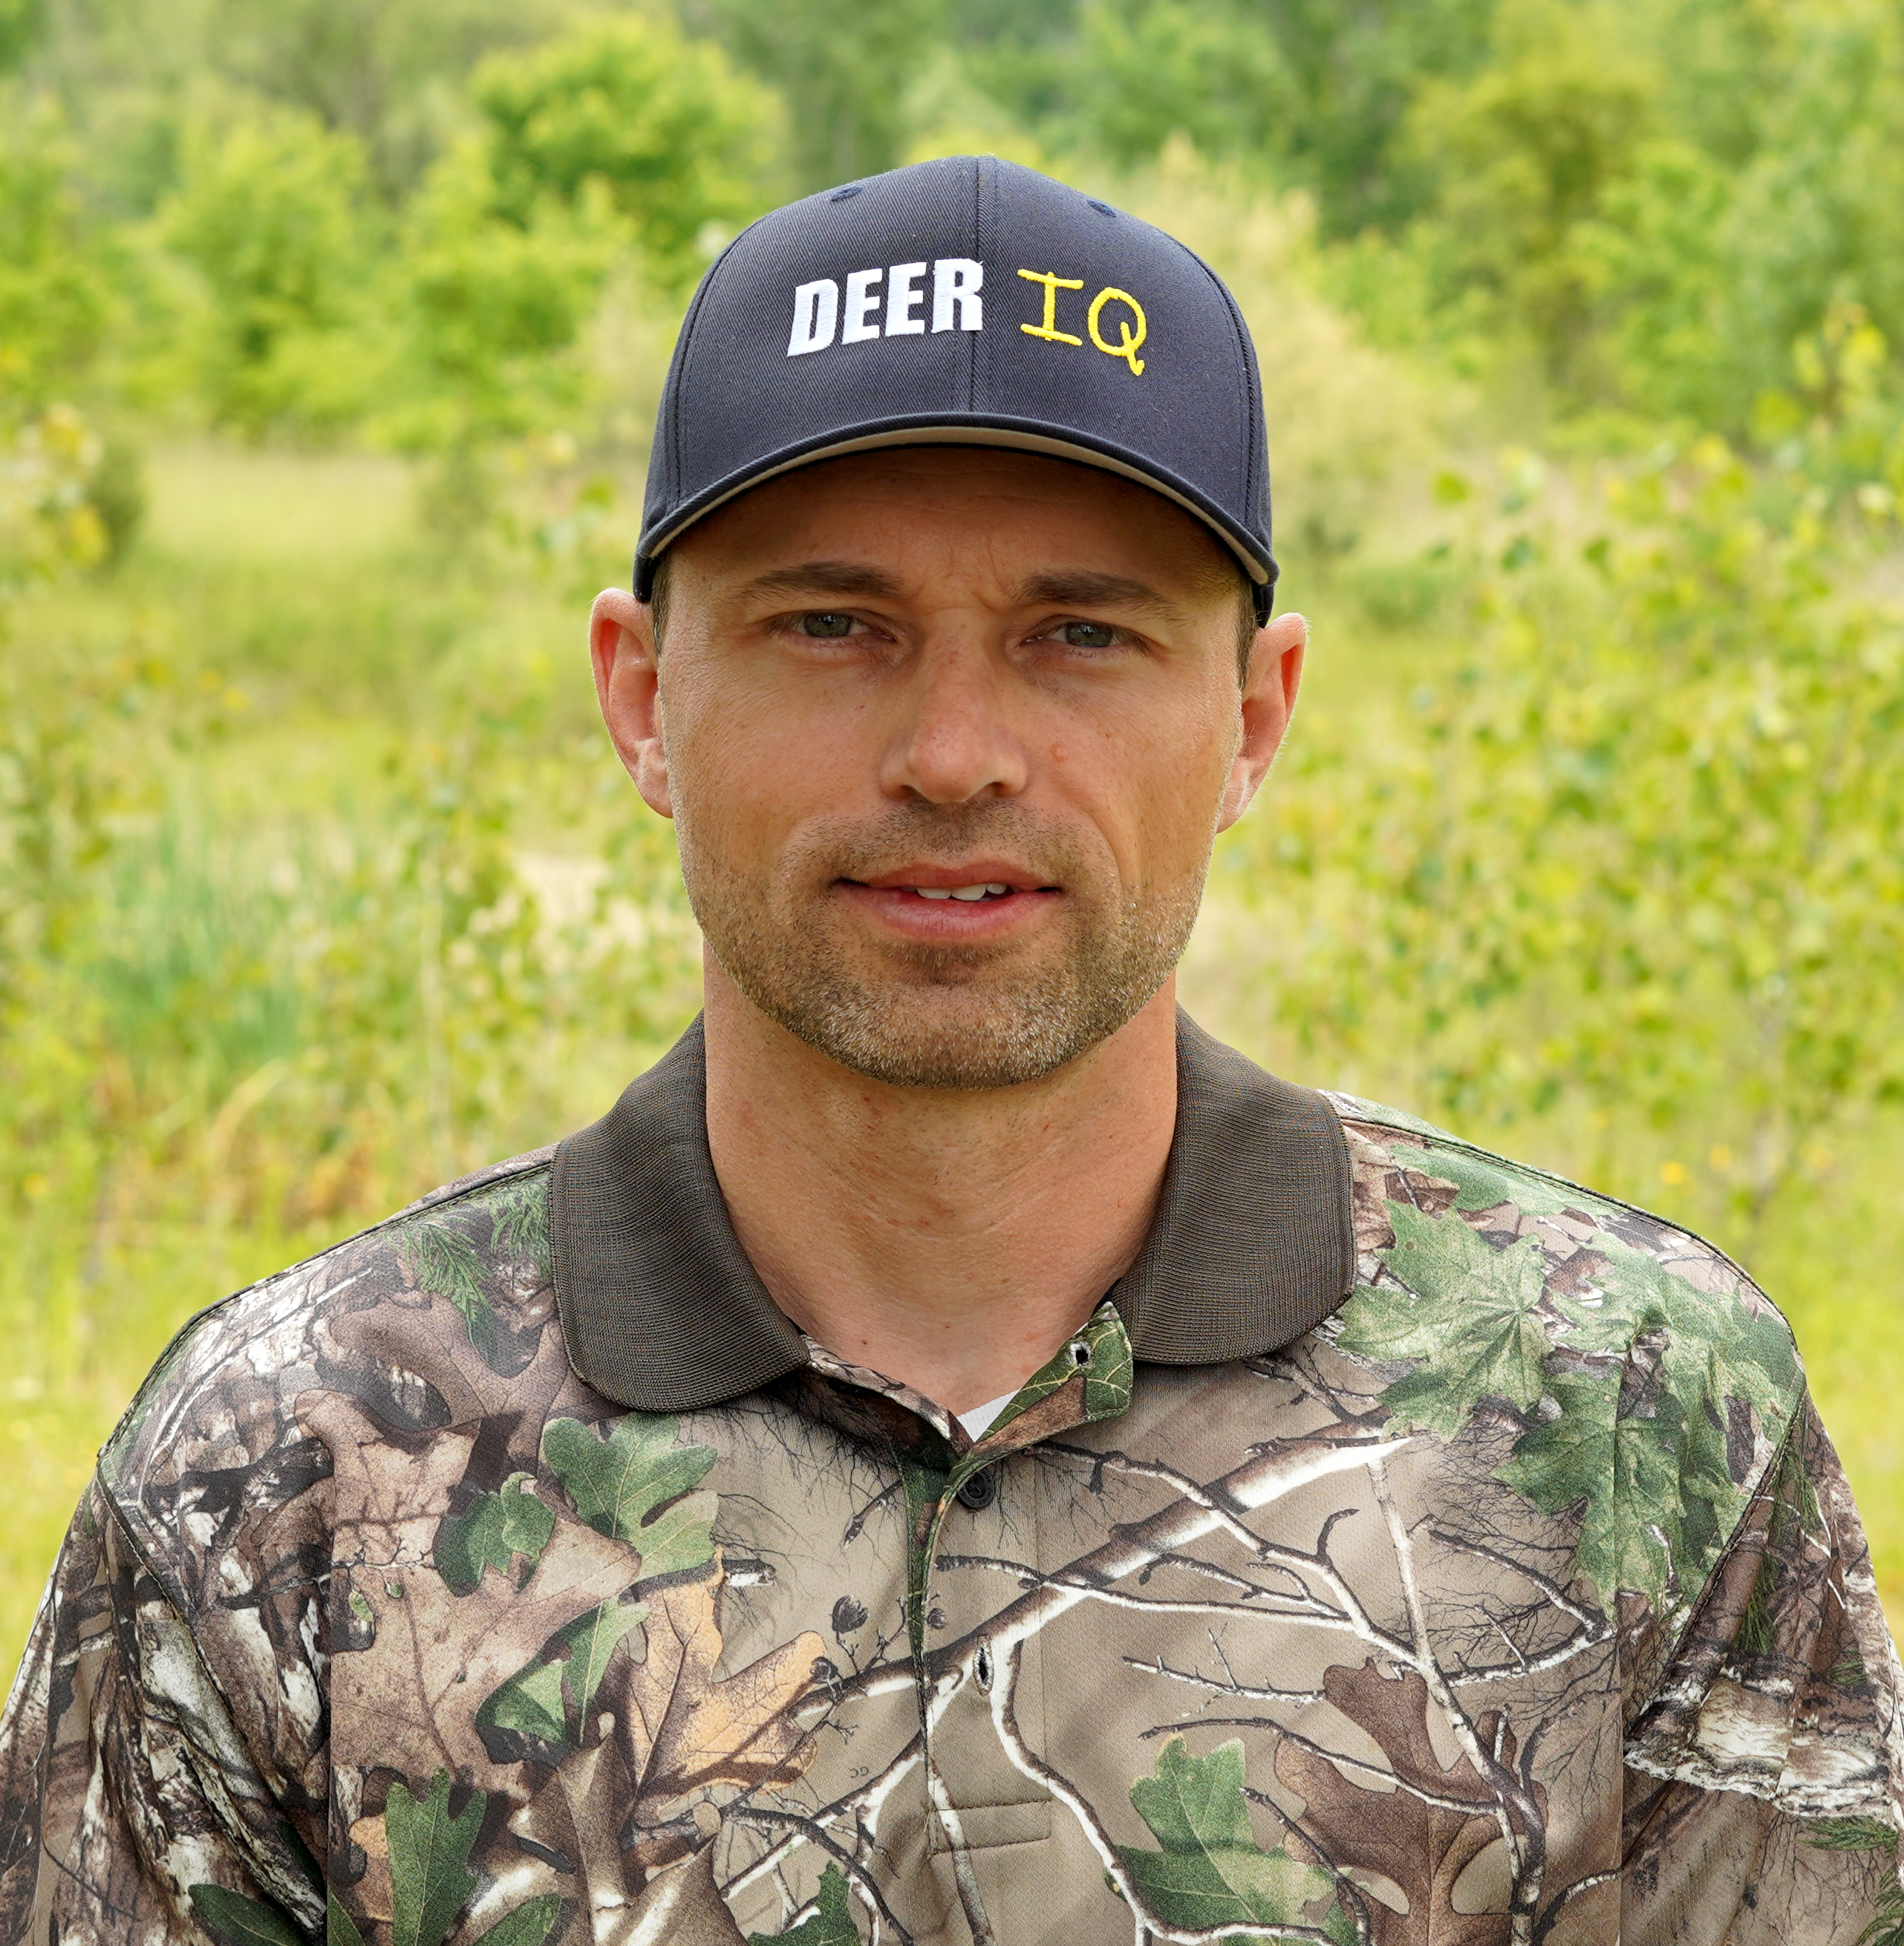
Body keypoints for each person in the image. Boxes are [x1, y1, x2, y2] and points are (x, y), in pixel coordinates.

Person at [1, 154, 1899, 1946]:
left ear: (1254, 717)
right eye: (835, 624)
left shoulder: (1629, 1409)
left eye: (1082, 633)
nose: (956, 751)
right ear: (645, 699)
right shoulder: (292, 1467)